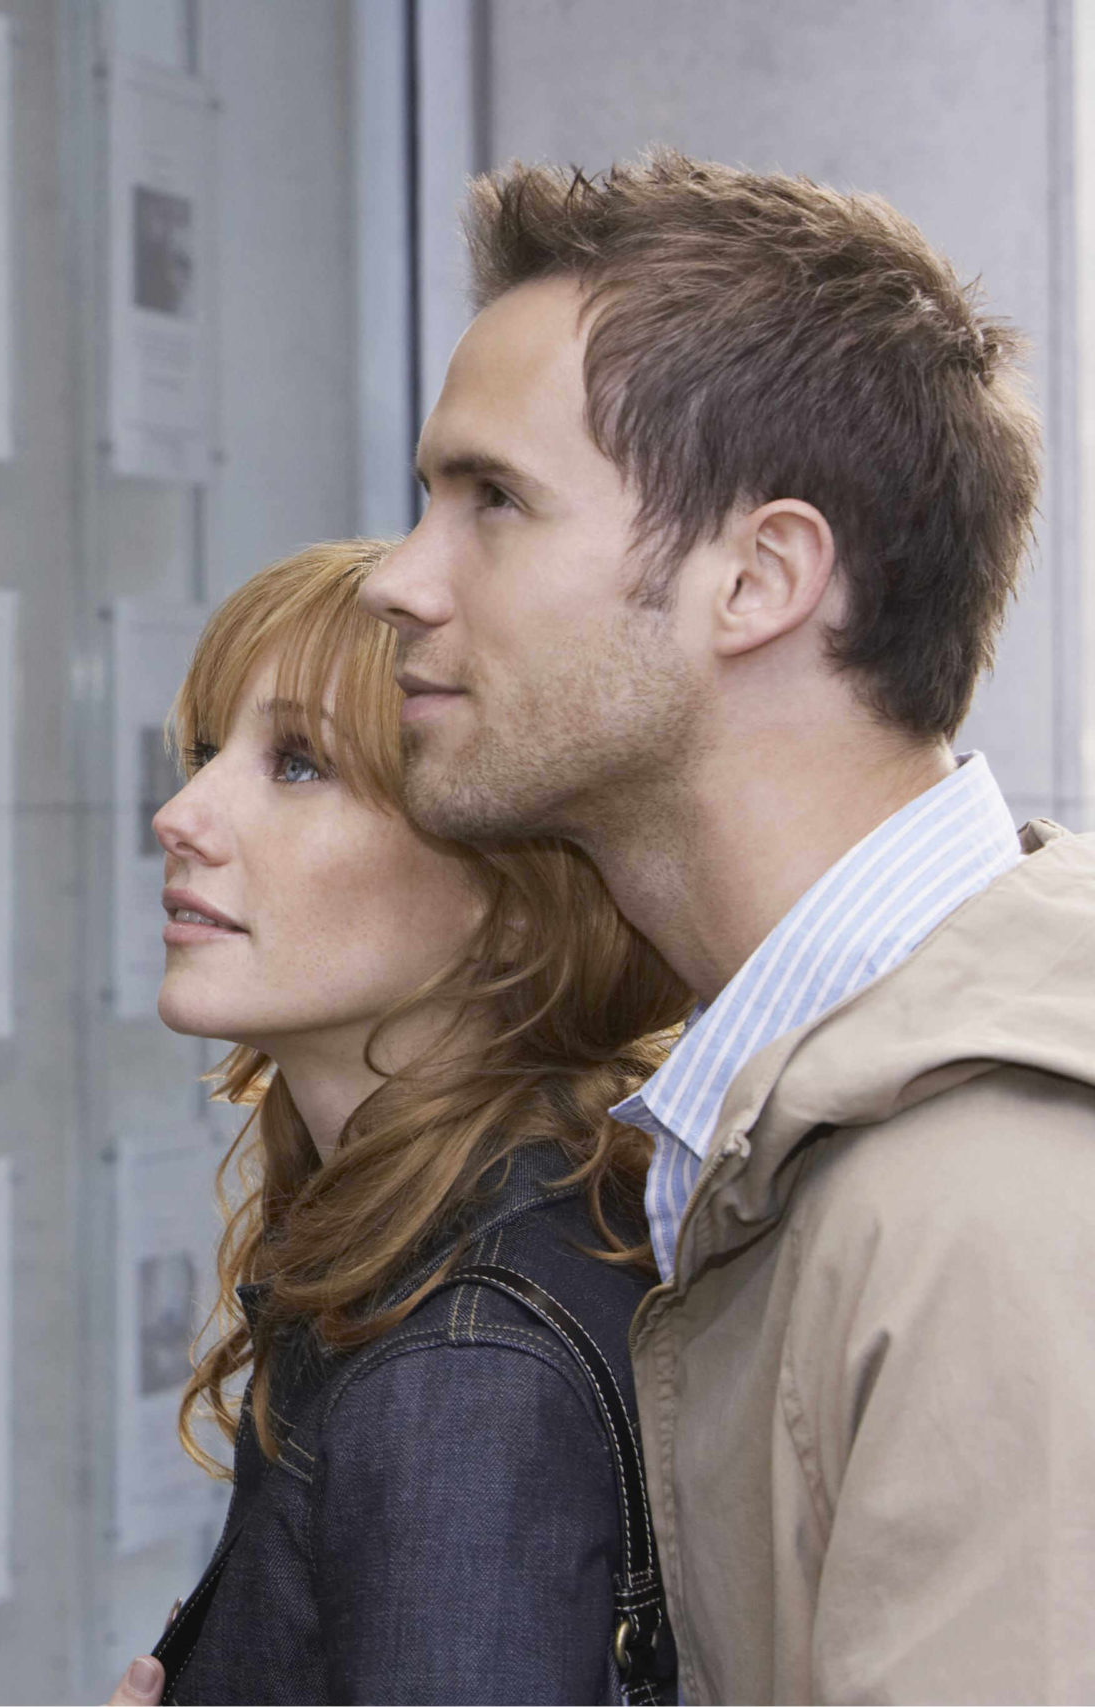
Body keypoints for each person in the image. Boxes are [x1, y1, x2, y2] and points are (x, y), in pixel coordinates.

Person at [354, 153, 1095, 1700]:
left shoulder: (982, 1197)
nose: (400, 579)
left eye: (493, 499)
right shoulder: (806, 1114)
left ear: (758, 577)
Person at [113, 538, 688, 1704]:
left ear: (515, 902)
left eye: (298, 766)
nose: (179, 813)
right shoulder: (473, 1229)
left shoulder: (462, 1374)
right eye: (204, 752)